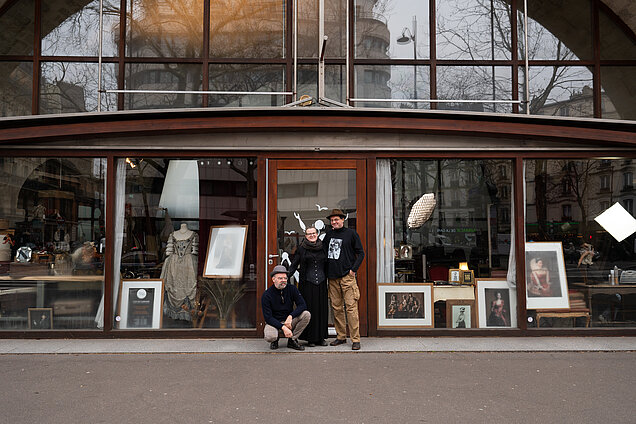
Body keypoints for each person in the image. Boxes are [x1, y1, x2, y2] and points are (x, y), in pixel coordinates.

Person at [323, 208, 365, 350]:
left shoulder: (351, 234)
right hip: (332, 278)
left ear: (343, 220)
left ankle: (355, 339)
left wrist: (353, 270)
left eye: (337, 219)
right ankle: (340, 336)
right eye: (332, 220)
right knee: (336, 308)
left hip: (347, 277)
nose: (334, 222)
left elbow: (361, 253)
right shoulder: (328, 235)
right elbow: (324, 254)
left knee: (351, 309)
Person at [287, 226, 328, 347]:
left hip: (321, 284)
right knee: (310, 310)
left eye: (313, 233)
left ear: (317, 234)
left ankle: (321, 338)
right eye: (309, 234)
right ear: (305, 236)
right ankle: (311, 338)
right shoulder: (301, 249)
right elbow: (294, 265)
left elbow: (328, 264)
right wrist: (285, 277)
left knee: (321, 310)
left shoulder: (323, 247)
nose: (312, 235)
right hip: (307, 284)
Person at [261, 265, 311, 351]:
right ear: (273, 279)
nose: (283, 281)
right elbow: (268, 318)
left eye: (285, 278)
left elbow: (302, 305)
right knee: (270, 337)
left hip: (289, 321)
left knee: (306, 314)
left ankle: (292, 340)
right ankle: (275, 340)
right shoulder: (266, 295)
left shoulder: (292, 289)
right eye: (280, 278)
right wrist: (283, 327)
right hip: (274, 322)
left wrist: (290, 316)